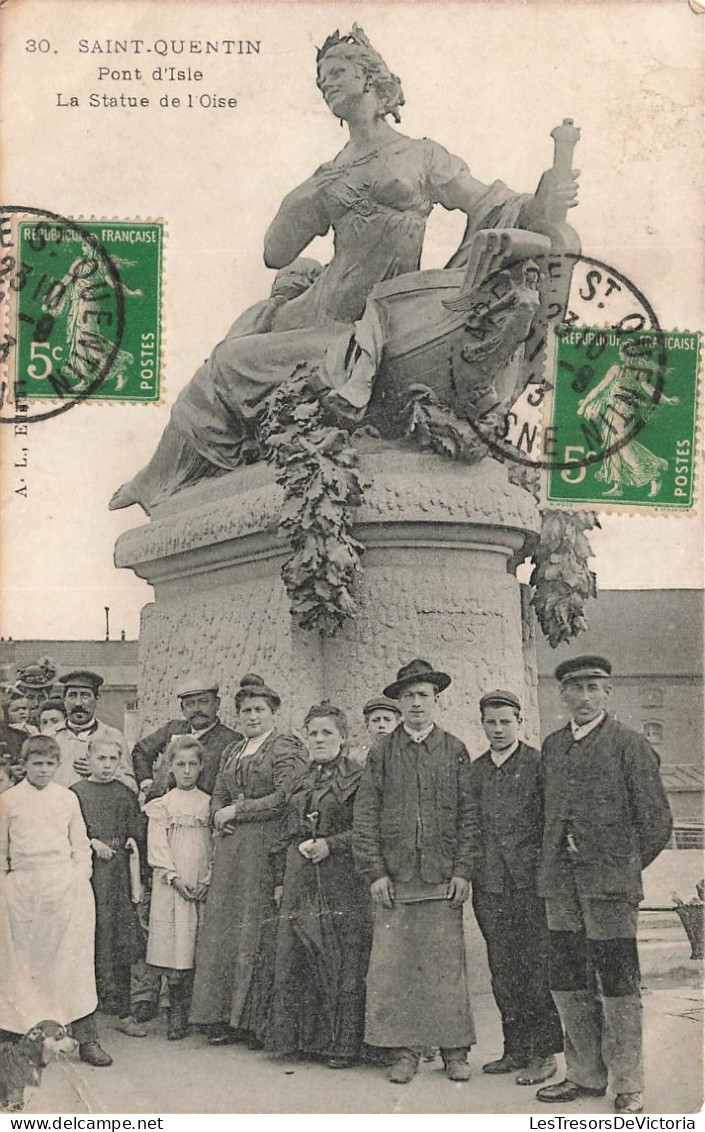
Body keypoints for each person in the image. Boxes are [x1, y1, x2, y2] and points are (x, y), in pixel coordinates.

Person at [109, 23, 578, 515]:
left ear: (372, 80)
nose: (327, 84)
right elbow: (275, 252)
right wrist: (308, 195)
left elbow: (491, 204)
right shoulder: (329, 173)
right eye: (321, 79)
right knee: (224, 363)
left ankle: (166, 476)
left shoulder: (420, 154)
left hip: (381, 317)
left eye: (336, 73)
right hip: (324, 318)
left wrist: (544, 199)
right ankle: (160, 477)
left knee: (229, 365)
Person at [535, 656, 673, 1115]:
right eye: (576, 689)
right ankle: (585, 1074)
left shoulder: (629, 745)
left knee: (617, 983)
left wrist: (621, 866)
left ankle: (628, 1082)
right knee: (569, 981)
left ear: (607, 693)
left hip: (609, 889)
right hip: (561, 888)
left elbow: (656, 823)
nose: (585, 697)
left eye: (595, 688)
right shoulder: (553, 747)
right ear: (564, 696)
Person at [353, 658, 475, 1084]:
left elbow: (468, 816)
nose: (416, 703)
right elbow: (365, 816)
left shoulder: (454, 749)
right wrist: (375, 873)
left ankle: (453, 1050)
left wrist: (462, 870)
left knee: (446, 967)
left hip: (442, 877)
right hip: (396, 878)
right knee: (396, 967)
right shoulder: (383, 752)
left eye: (424, 695)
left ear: (436, 700)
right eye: (408, 696)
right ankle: (404, 1051)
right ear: (399, 702)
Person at [189, 675, 307, 1046]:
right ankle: (220, 1016)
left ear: (273, 712)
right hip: (230, 850)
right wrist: (217, 813)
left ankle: (254, 1021)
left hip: (263, 847)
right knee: (225, 926)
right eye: (245, 711)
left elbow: (286, 796)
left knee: (256, 927)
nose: (252, 716)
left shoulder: (284, 747)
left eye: (259, 710)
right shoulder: (232, 750)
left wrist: (237, 810)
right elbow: (218, 792)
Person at [268, 703, 372, 1068]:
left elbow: (365, 828)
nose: (319, 739)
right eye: (312, 733)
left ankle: (340, 1046)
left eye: (327, 732)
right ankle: (299, 1041)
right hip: (300, 873)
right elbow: (282, 827)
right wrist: (283, 873)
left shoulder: (359, 777)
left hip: (340, 876)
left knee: (338, 955)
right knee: (297, 950)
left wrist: (332, 844)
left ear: (343, 737)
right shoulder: (299, 778)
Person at [468, 690, 563, 1086]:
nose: (498, 729)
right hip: (489, 885)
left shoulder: (539, 765)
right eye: (491, 722)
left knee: (534, 969)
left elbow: (551, 825)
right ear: (483, 725)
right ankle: (515, 1049)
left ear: (519, 723)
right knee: (502, 970)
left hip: (529, 886)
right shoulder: (475, 771)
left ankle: (543, 1055)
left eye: (506, 721)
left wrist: (544, 875)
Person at [0, 735, 112, 1067]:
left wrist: (78, 879)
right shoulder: (8, 801)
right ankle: (15, 1042)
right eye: (37, 763)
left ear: (57, 765)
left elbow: (80, 844)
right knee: (20, 967)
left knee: (73, 964)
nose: (44, 770)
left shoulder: (67, 799)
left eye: (50, 764)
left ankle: (87, 1039)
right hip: (23, 891)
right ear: (24, 765)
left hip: (64, 888)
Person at [71, 737, 146, 1038]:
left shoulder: (124, 793)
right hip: (88, 876)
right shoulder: (75, 794)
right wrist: (91, 842)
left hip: (116, 876)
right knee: (88, 938)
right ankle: (82, 1015)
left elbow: (136, 831)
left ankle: (124, 1012)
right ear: (88, 759)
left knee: (121, 938)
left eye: (112, 759)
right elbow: (69, 831)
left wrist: (131, 841)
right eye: (100, 759)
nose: (106, 765)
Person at [143, 736, 213, 1041]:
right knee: (175, 947)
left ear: (201, 767)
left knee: (197, 943)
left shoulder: (209, 803)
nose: (186, 771)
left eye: (192, 765)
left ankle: (197, 1009)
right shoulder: (162, 805)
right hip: (172, 884)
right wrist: (173, 877)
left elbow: (214, 845)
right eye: (180, 764)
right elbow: (156, 846)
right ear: (170, 767)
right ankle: (174, 1010)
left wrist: (207, 879)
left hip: (199, 882)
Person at [576, 342, 679, 499]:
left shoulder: (639, 374)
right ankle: (618, 486)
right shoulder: (617, 369)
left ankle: (653, 474)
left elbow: (651, 390)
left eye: (626, 353)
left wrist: (668, 400)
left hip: (625, 414)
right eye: (623, 353)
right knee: (612, 446)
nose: (623, 356)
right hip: (610, 412)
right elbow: (600, 388)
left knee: (624, 446)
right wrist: (584, 405)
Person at [132, 673, 240, 801]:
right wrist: (147, 783)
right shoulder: (173, 729)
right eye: (189, 704)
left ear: (217, 704)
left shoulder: (232, 740)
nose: (196, 709)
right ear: (182, 709)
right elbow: (141, 751)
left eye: (203, 702)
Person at [54, 670, 136, 792]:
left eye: (85, 695)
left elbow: (131, 787)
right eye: (72, 695)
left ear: (96, 699)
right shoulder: (50, 736)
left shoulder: (113, 736)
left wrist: (102, 772)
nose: (78, 703)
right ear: (64, 699)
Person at [349, 695, 401, 766]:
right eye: (375, 720)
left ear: (398, 724)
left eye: (387, 720)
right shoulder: (356, 758)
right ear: (368, 726)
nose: (382, 725)